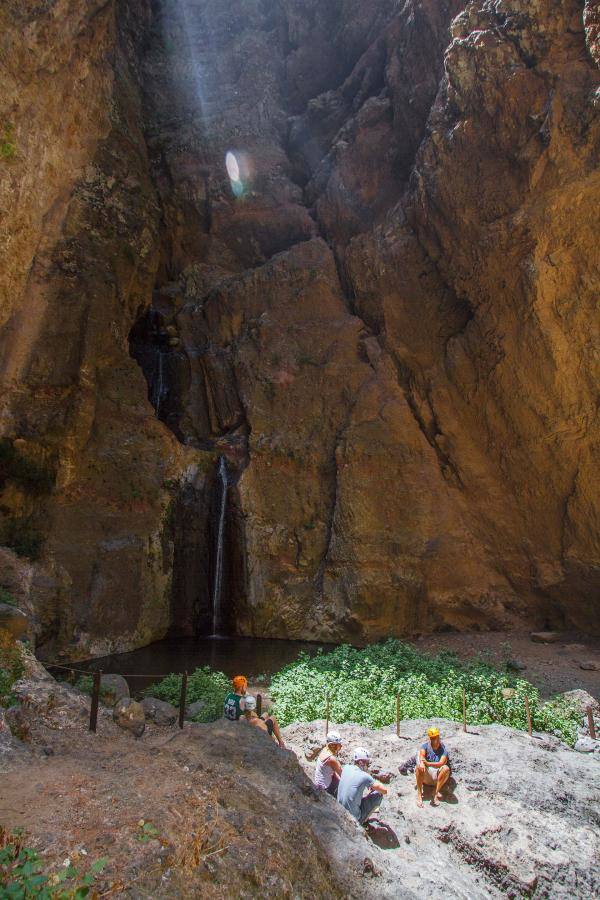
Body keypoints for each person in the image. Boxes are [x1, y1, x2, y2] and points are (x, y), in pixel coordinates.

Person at [337, 747, 388, 824]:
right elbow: (384, 790)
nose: (368, 766)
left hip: (340, 811)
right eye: (367, 763)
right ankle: (363, 821)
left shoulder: (346, 767)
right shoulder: (364, 776)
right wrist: (375, 785)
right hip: (354, 818)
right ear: (361, 762)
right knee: (378, 794)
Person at [416, 726, 451, 807]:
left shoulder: (443, 749)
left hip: (437, 776)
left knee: (446, 768)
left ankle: (435, 793)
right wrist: (422, 762)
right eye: (432, 738)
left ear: (438, 737)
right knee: (419, 767)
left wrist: (428, 763)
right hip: (427, 775)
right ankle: (419, 795)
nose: (434, 739)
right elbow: (422, 755)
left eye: (435, 737)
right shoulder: (425, 746)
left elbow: (441, 763)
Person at [314, 731, 343, 797]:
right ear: (332, 745)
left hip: (319, 784)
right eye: (338, 745)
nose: (341, 746)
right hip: (325, 789)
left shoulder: (325, 749)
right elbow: (342, 774)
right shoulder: (331, 759)